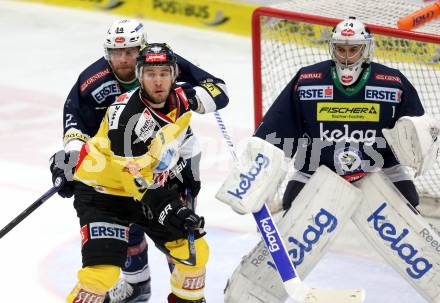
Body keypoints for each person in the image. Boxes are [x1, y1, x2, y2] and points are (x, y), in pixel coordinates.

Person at [49, 19, 228, 302]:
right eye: (150, 74)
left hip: (149, 184)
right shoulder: (126, 118)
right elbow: (136, 181)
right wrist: (70, 155)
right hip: (105, 192)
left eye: (164, 74)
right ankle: (135, 285)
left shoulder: (180, 99)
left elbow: (213, 99)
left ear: (176, 77)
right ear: (139, 77)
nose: (158, 81)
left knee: (193, 253)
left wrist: (186, 176)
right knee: (102, 275)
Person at [254, 17, 424, 211]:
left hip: (379, 167)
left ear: (366, 49)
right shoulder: (308, 79)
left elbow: (415, 127)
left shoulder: (393, 82)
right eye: (340, 49)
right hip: (316, 166)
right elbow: (280, 123)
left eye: (353, 50)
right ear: (332, 48)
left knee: (411, 205)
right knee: (291, 207)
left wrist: (420, 147)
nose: (346, 57)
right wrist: (265, 172)